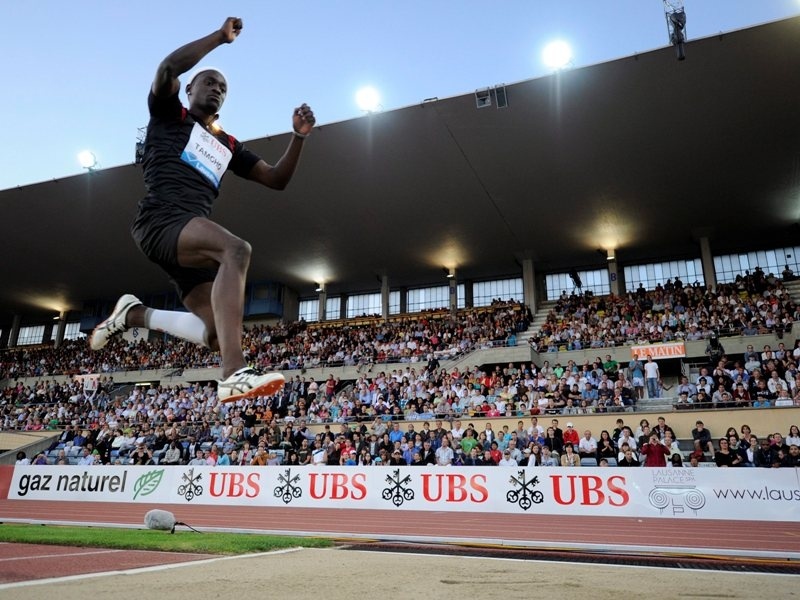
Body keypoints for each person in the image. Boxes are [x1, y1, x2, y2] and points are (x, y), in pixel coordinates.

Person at [89, 18, 315, 404]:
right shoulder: (168, 115)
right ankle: (232, 372)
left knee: (214, 333)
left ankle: (135, 315)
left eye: (223, 88)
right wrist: (219, 39)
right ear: (189, 87)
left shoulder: (227, 144)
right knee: (236, 249)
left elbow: (276, 179)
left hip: (188, 239)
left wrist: (298, 138)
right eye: (209, 82)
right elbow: (166, 69)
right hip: (160, 220)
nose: (216, 89)